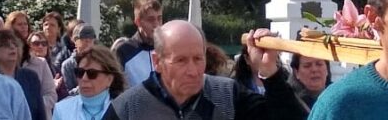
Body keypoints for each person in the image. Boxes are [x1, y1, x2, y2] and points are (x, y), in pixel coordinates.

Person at [105, 20, 305, 119]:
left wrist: (269, 73)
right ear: (157, 61)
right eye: (181, 60)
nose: (193, 70)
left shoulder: (228, 95)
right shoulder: (128, 109)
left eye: (198, 59)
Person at [54, 46, 126, 120]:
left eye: (92, 73)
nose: (84, 78)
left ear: (109, 79)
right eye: (80, 72)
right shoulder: (61, 110)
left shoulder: (125, 111)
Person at [0, 30, 45, 120]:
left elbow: (40, 114)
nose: (12, 48)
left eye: (15, 44)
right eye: (6, 45)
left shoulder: (30, 77)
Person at [115, 0, 162, 87]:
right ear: (138, 22)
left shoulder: (167, 48)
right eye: (151, 19)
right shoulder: (124, 50)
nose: (156, 24)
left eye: (159, 18)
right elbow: (115, 89)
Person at [24, 31, 58, 115]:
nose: (40, 46)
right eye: (36, 43)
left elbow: (52, 96)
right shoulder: (23, 65)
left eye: (44, 43)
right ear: (28, 46)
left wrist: (35, 104)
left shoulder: (55, 67)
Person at [60, 23, 97, 93]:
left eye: (91, 39)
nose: (88, 42)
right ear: (75, 41)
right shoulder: (68, 65)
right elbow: (68, 93)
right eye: (84, 39)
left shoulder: (101, 62)